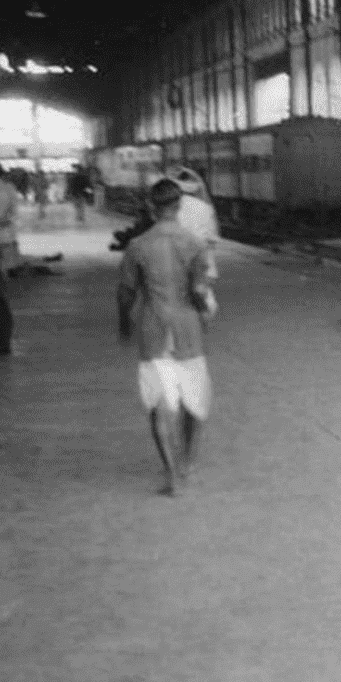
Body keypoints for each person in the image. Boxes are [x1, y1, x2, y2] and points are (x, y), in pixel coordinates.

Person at [117, 178, 216, 497]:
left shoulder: (137, 246)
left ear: (151, 207)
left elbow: (126, 292)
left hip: (154, 329)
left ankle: (173, 475)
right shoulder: (194, 243)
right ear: (179, 206)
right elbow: (200, 292)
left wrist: (124, 322)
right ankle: (186, 462)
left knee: (160, 404)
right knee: (192, 401)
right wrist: (204, 311)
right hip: (187, 328)